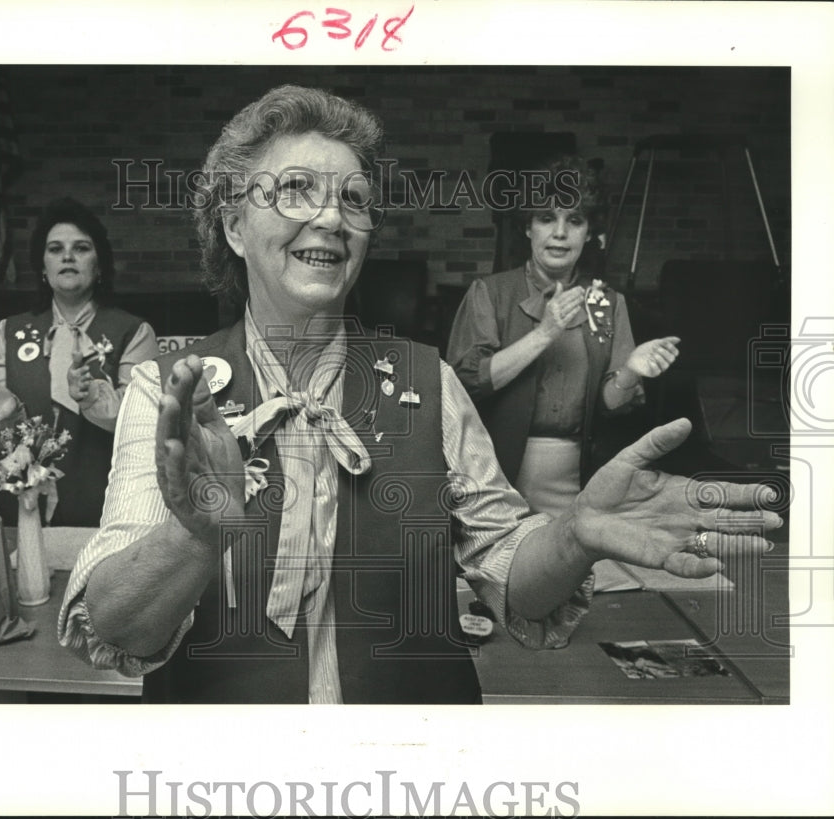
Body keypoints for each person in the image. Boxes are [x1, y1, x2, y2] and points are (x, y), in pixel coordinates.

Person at [57, 86, 779, 704]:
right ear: (234, 225)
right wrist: (197, 533)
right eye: (296, 190)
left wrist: (573, 533)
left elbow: (511, 572)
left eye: (354, 199)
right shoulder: (168, 392)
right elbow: (116, 627)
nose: (333, 218)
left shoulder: (426, 379)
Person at [447, 157, 681, 517]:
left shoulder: (607, 302)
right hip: (494, 476)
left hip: (577, 482)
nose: (560, 233)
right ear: (528, 228)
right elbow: (468, 382)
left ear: (589, 233)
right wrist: (545, 333)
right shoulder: (490, 293)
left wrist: (632, 372)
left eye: (574, 220)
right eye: (546, 218)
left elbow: (607, 405)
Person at [0, 197, 160, 526]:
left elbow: (140, 422)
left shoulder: (134, 332)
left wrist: (90, 396)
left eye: (81, 248)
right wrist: (10, 410)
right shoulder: (9, 331)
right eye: (55, 249)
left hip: (108, 508)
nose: (67, 256)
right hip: (22, 510)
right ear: (42, 267)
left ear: (99, 265)